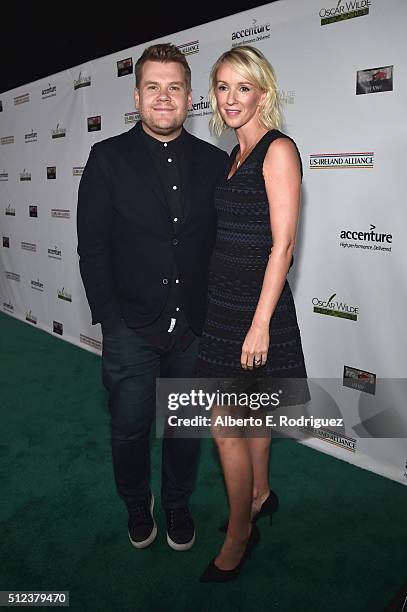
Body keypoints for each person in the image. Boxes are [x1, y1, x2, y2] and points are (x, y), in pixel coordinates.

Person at [77, 43, 228, 552]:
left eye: (175, 87)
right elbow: (92, 246)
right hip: (130, 327)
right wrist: (111, 321)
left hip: (194, 328)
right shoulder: (107, 158)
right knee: (129, 426)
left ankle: (178, 503)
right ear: (137, 95)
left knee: (185, 427)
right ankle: (137, 502)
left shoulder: (214, 161)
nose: (164, 97)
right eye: (152, 87)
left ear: (189, 97)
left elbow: (224, 243)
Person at [196, 46, 309, 582]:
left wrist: (260, 322)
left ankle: (241, 531)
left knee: (224, 425)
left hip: (255, 306)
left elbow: (283, 246)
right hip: (223, 302)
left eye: (244, 86)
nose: (232, 97)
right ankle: (260, 494)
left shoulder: (276, 150)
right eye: (223, 86)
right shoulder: (233, 155)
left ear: (263, 90)